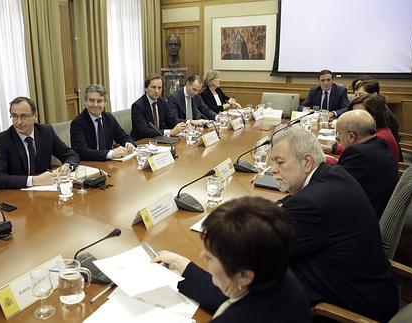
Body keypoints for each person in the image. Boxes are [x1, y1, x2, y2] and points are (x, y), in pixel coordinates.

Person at [270, 128, 398, 322]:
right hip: (372, 288)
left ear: (306, 162)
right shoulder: (333, 173)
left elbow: (262, 248)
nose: (273, 169)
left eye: (279, 162)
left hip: (353, 307)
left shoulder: (311, 203)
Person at [153, 196, 310, 323]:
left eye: (211, 256)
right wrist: (184, 266)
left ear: (244, 275)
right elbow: (235, 294)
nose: (202, 256)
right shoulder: (276, 270)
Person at [0, 97, 79, 189]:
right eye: (14, 116)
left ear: (35, 116)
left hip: (45, 191)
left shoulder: (46, 132)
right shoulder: (3, 140)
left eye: (24, 116)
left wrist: (67, 166)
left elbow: (71, 155)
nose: (18, 122)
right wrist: (35, 180)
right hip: (17, 192)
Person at [335, 110, 398, 219]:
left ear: (351, 136)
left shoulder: (358, 153)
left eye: (338, 134)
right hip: (376, 208)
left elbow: (334, 188)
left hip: (361, 218)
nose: (337, 138)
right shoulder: (379, 143)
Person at [328, 94, 400, 166]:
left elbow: (353, 159)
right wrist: (332, 148)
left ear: (373, 116)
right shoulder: (377, 132)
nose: (353, 117)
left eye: (359, 113)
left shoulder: (380, 138)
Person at [70, 84, 135, 161]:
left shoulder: (108, 118)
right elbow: (82, 151)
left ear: (105, 103)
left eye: (99, 101)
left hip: (109, 163)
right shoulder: (78, 123)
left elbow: (123, 136)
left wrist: (128, 144)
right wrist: (111, 153)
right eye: (91, 100)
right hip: (89, 164)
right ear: (85, 102)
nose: (95, 104)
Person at [353, 78, 402, 160]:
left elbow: (365, 146)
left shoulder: (382, 116)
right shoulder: (379, 110)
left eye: (361, 95)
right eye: (356, 96)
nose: (357, 99)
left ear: (374, 95)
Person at [130, 74, 186, 140]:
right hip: (142, 141)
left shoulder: (162, 101)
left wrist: (185, 124)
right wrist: (170, 132)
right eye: (153, 87)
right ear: (145, 88)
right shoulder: (137, 106)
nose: (157, 91)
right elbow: (144, 130)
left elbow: (170, 120)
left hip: (159, 139)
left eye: (159, 88)